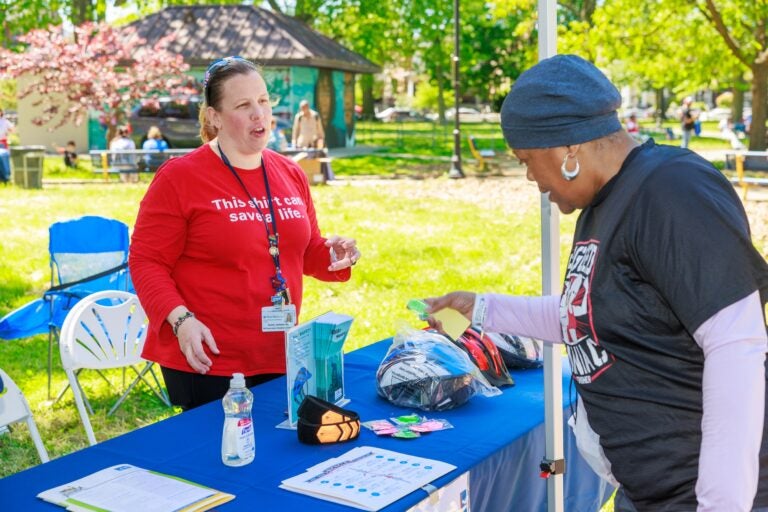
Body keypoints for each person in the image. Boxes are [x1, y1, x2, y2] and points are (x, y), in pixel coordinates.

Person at [424, 55, 768, 511]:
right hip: (647, 491)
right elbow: (588, 315)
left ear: (567, 149)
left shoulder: (671, 190)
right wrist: (482, 308)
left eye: (527, 159)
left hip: (701, 495)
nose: (530, 176)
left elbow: (736, 344)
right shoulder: (604, 200)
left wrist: (720, 505)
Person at [129, 56, 360, 411]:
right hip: (207, 355)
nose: (259, 114)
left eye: (264, 101)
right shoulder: (180, 177)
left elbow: (303, 249)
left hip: (278, 350)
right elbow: (146, 262)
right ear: (214, 117)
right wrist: (181, 321)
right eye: (243, 105)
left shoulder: (289, 172)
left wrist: (332, 254)